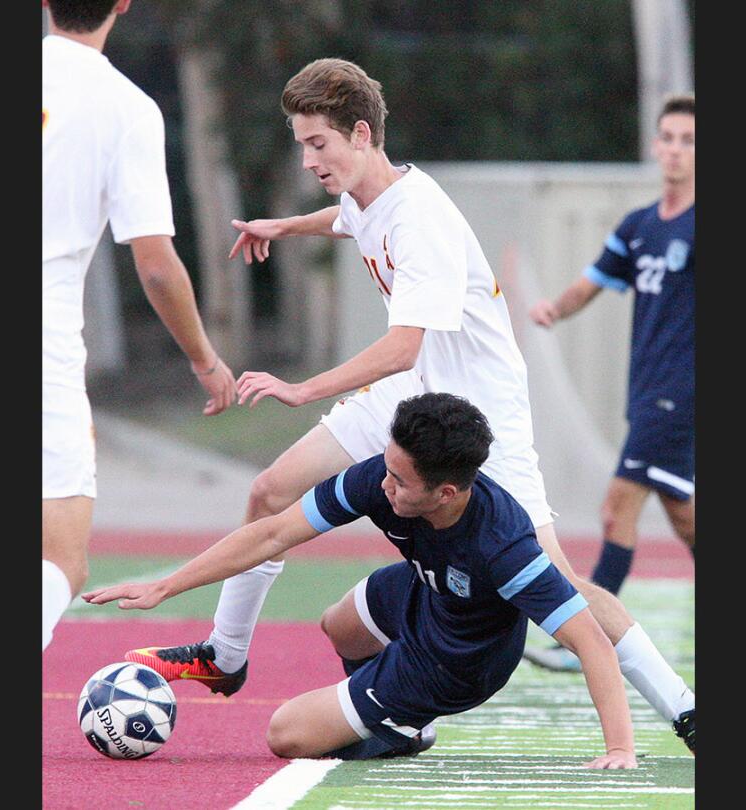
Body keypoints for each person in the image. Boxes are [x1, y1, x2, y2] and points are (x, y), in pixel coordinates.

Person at [123, 58, 693, 750]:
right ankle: (226, 655)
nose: (307, 159)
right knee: (271, 492)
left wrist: (303, 388)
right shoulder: (373, 191)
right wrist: (284, 226)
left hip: (475, 413)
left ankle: (682, 706)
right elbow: (351, 220)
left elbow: (400, 345)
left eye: (317, 144)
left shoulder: (420, 220)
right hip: (411, 389)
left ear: (361, 134)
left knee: (562, 584)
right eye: (302, 144)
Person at [86, 394, 640, 767]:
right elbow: (272, 533)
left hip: (459, 660)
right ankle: (384, 708)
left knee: (287, 736)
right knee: (339, 624)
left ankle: (404, 721)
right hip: (424, 591)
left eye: (401, 480)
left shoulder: (504, 545)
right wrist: (168, 587)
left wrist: (620, 748)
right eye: (388, 467)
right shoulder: (382, 475)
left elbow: (590, 639)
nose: (386, 485)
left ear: (446, 493)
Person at [41, 0, 235, 652]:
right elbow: (155, 266)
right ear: (122, 3)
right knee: (61, 559)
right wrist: (206, 360)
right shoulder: (126, 107)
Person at [521, 95, 694, 673]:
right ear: (654, 145)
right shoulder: (639, 225)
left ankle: (588, 639)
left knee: (617, 509)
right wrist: (552, 309)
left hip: (682, 392)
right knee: (683, 514)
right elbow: (592, 282)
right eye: (668, 137)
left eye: (688, 140)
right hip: (647, 390)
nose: (675, 149)